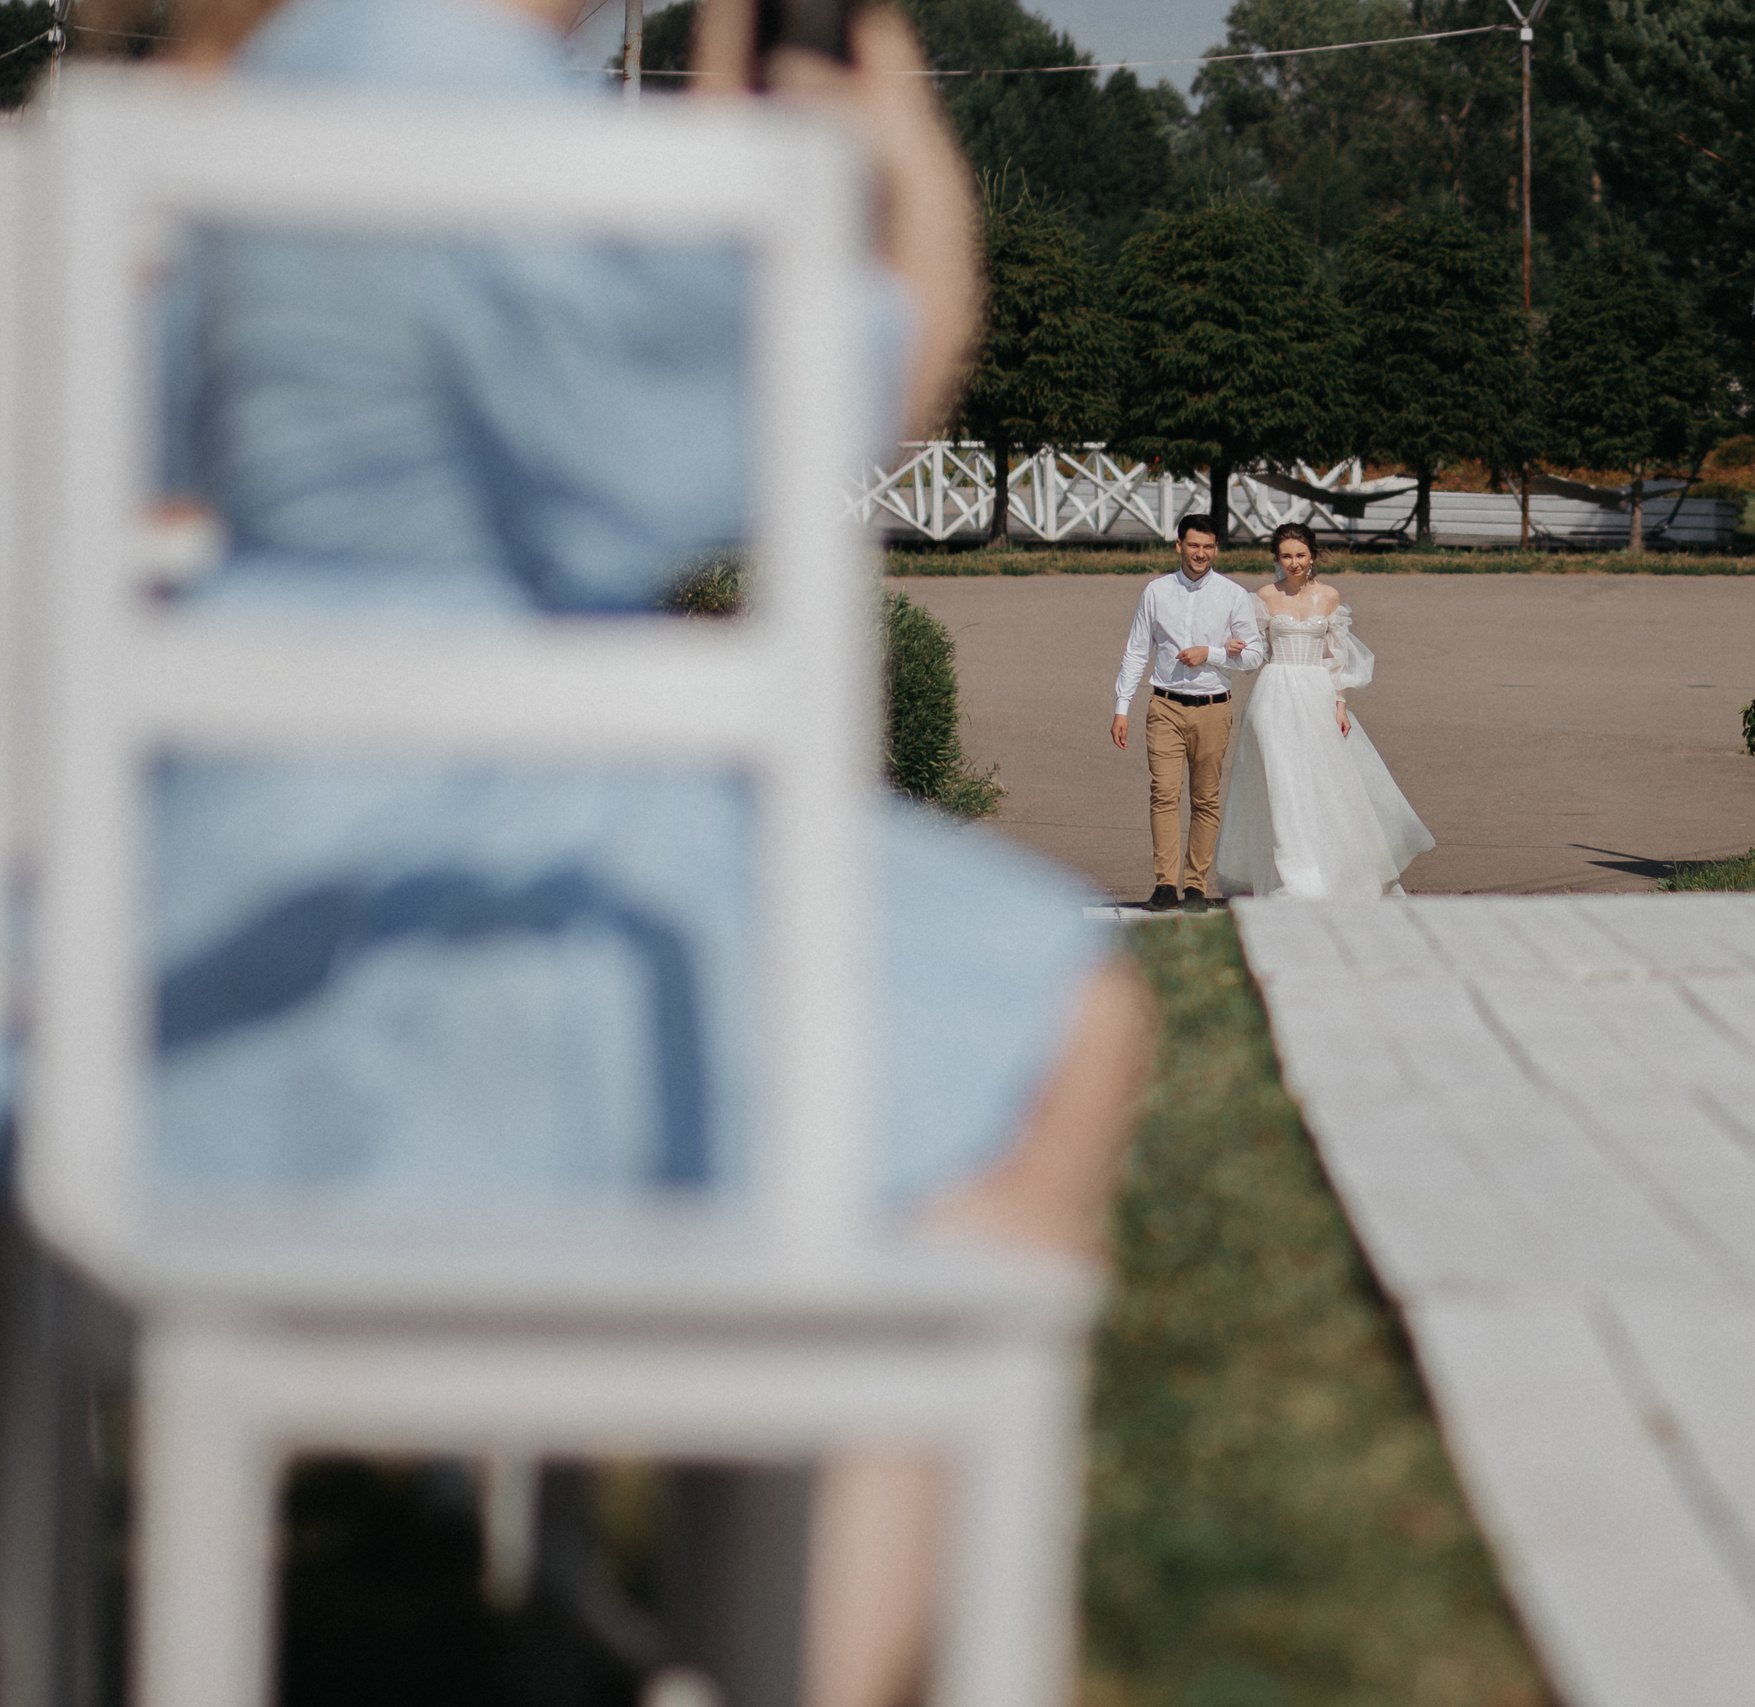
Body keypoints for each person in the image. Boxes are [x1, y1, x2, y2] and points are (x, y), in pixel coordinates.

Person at [128, 2, 1153, 1705]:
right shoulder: (470, 108)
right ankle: (798, 1654)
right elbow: (857, 383)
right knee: (1052, 1012)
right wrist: (889, 130)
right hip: (428, 941)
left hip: (190, 930)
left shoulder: (276, 81)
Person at [1214, 524, 1433, 900]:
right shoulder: (1265, 596)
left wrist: (1340, 703)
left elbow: (1338, 657)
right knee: (1281, 781)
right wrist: (1233, 646)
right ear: (1277, 559)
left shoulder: (1329, 598)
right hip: (1275, 693)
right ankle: (1292, 876)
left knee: (1323, 780)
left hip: (1316, 691)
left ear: (1312, 556)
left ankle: (1332, 867)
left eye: (1300, 555)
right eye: (1286, 556)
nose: (1294, 563)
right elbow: (1255, 651)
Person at [1108, 515, 1267, 912]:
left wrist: (1211, 653)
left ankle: (1195, 884)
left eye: (1208, 547)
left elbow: (1254, 654)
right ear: (1178, 546)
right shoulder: (1156, 591)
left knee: (1205, 799)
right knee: (1163, 794)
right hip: (1165, 705)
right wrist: (1122, 706)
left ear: (1216, 549)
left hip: (1213, 707)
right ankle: (1165, 883)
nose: (1201, 554)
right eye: (1193, 545)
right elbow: (1136, 650)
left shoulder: (1233, 595)